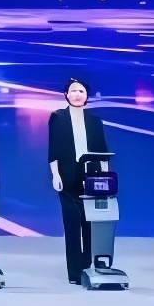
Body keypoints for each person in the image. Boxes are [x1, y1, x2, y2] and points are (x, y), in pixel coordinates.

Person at [46, 75, 110, 284]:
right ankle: (74, 272)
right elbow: (53, 149)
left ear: (87, 95)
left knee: (90, 223)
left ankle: (88, 266)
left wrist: (104, 176)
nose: (77, 94)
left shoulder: (94, 121)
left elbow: (102, 151)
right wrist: (55, 174)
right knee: (72, 224)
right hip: (67, 177)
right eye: (73, 90)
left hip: (91, 177)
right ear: (66, 94)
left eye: (81, 91)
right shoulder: (57, 117)